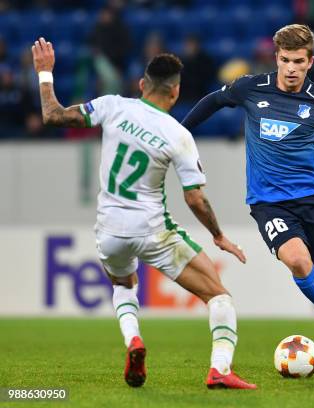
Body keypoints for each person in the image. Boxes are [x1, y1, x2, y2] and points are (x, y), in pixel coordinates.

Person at [31, 37, 256, 389]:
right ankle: (220, 369)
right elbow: (195, 199)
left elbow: (53, 115)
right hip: (152, 229)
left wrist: (45, 73)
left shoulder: (111, 106)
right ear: (175, 92)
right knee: (218, 295)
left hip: (109, 229)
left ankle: (133, 340)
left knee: (123, 283)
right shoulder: (178, 135)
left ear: (141, 85)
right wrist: (217, 235)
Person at [182, 24, 314, 375]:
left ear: (310, 62)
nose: (291, 68)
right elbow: (213, 101)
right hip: (268, 202)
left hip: (312, 200)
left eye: (298, 62)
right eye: (285, 60)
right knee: (298, 260)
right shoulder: (250, 88)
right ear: (276, 58)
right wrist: (180, 136)